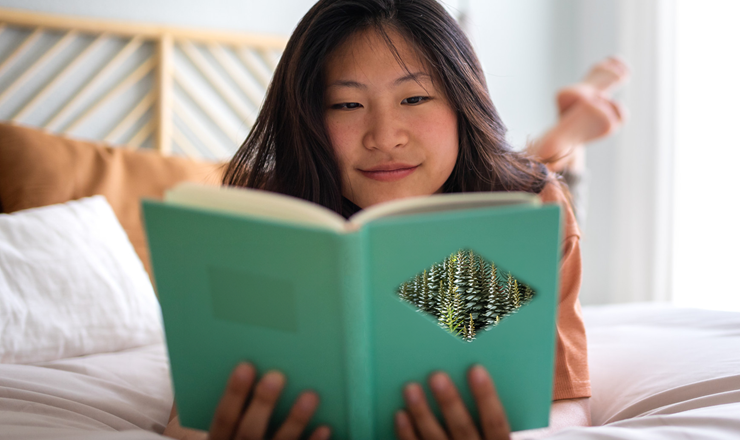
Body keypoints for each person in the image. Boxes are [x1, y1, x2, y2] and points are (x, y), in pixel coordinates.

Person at [163, 1, 613, 438]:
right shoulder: (261, 211)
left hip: (506, 183)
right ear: (308, 118)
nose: (384, 138)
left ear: (461, 102)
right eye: (346, 105)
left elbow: (566, 406)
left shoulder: (526, 207)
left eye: (414, 97)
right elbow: (186, 417)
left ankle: (566, 136)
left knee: (545, 177)